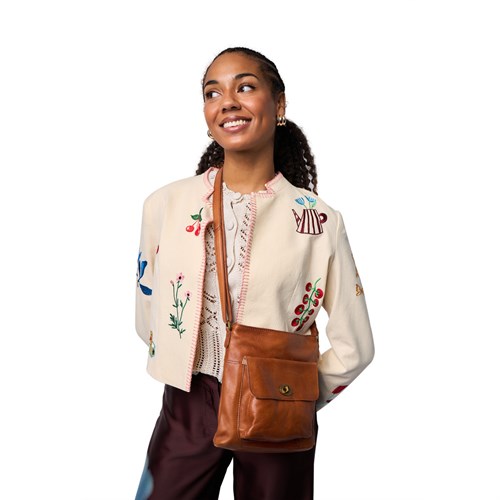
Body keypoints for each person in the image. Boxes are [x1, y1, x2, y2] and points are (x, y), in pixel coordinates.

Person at [134, 47, 375, 500]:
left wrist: (294, 395)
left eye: (244, 87)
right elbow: (149, 310)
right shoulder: (164, 205)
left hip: (278, 409)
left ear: (279, 104)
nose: (227, 101)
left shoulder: (319, 220)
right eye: (212, 93)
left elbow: (355, 345)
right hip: (187, 402)